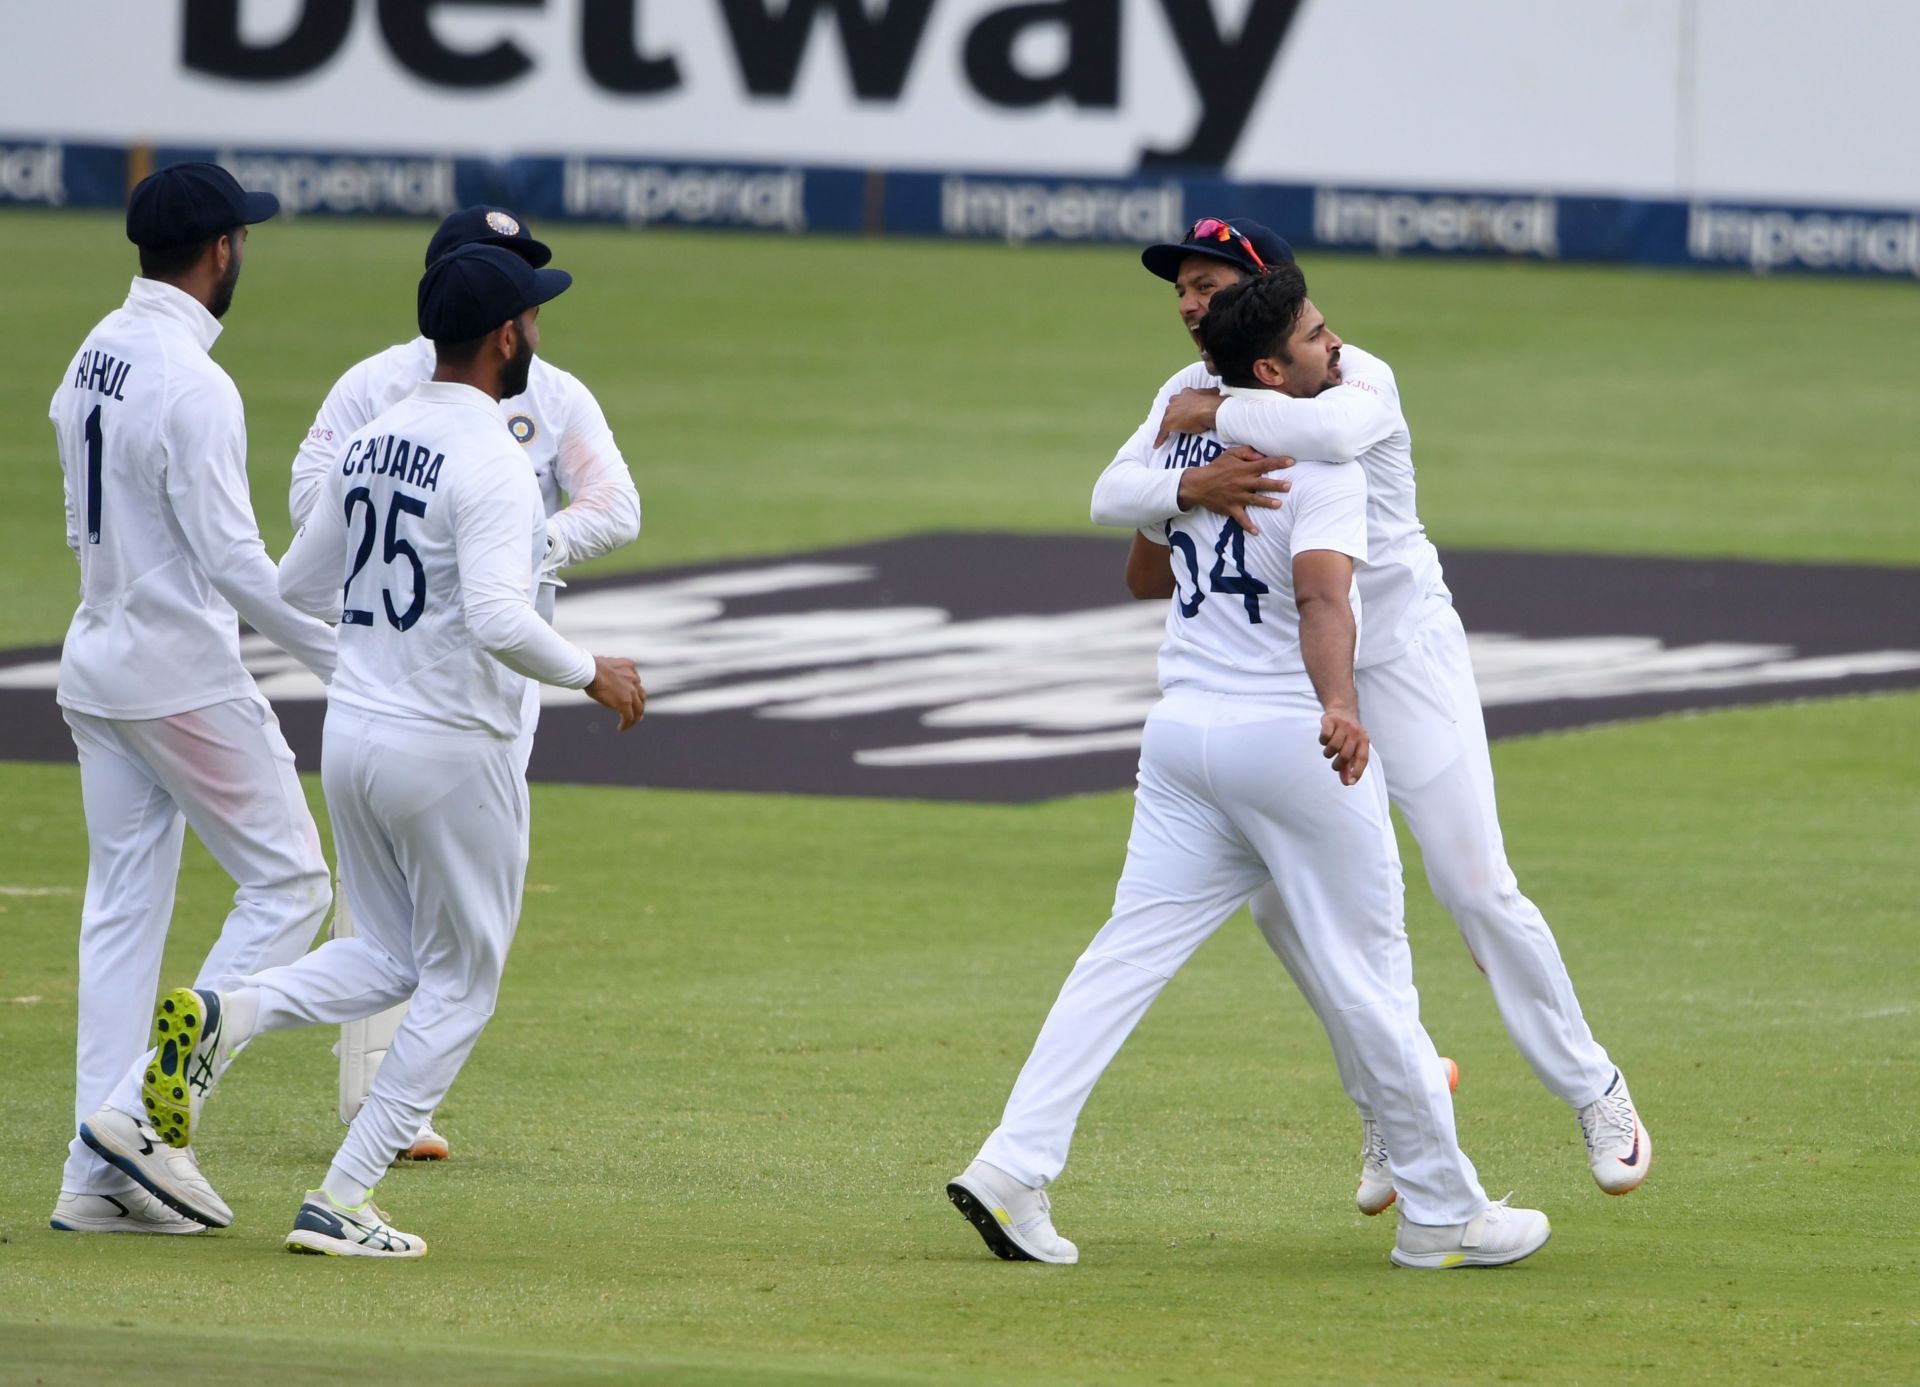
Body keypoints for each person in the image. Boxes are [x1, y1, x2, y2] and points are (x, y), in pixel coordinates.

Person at [949, 268, 1551, 1272]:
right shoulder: (1323, 455)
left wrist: (1185, 476)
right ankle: (1443, 1211)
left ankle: (1012, 1167)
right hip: (1289, 743)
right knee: (1371, 972)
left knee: (1125, 953)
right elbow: (1325, 603)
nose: (1336, 349)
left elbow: (1125, 522)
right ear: (1273, 366)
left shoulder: (1184, 432)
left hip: (1183, 737)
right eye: (1318, 337)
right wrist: (1342, 705)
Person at [90, 243, 648, 1257]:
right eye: (530, 317)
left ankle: (224, 1008)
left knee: (388, 953)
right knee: (463, 981)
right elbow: (496, 616)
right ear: (504, 338)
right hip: (450, 745)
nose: (536, 332)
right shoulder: (493, 460)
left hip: (352, 730)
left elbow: (297, 583)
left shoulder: (377, 434)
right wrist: (589, 670)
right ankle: (341, 1196)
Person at [1093, 217, 1649, 1210]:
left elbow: (1336, 435)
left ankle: (1591, 1084)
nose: (1186, 302)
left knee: (1474, 885)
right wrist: (1183, 476)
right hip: (1290, 674)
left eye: (1207, 284)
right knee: (1281, 903)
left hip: (1401, 659)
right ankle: (1396, 1103)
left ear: (1263, 298)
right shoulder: (1182, 400)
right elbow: (1123, 519)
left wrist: (1206, 418)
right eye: (1180, 288)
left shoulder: (1353, 374)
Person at [291, 205, 641, 1162]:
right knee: (418, 930)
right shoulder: (378, 389)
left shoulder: (552, 395)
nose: (532, 310)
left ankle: (292, 1049)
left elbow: (617, 502)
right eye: (514, 281)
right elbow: (310, 505)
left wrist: (534, 549)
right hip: (415, 678)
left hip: (494, 681)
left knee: (417, 917)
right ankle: (371, 1118)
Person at [53, 162, 337, 1236]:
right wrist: (349, 663)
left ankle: (92, 1182)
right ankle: (139, 1118)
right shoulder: (194, 382)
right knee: (293, 879)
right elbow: (236, 563)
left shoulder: (93, 351)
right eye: (242, 243)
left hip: (98, 658)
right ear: (220, 251)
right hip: (178, 672)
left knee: (122, 914)